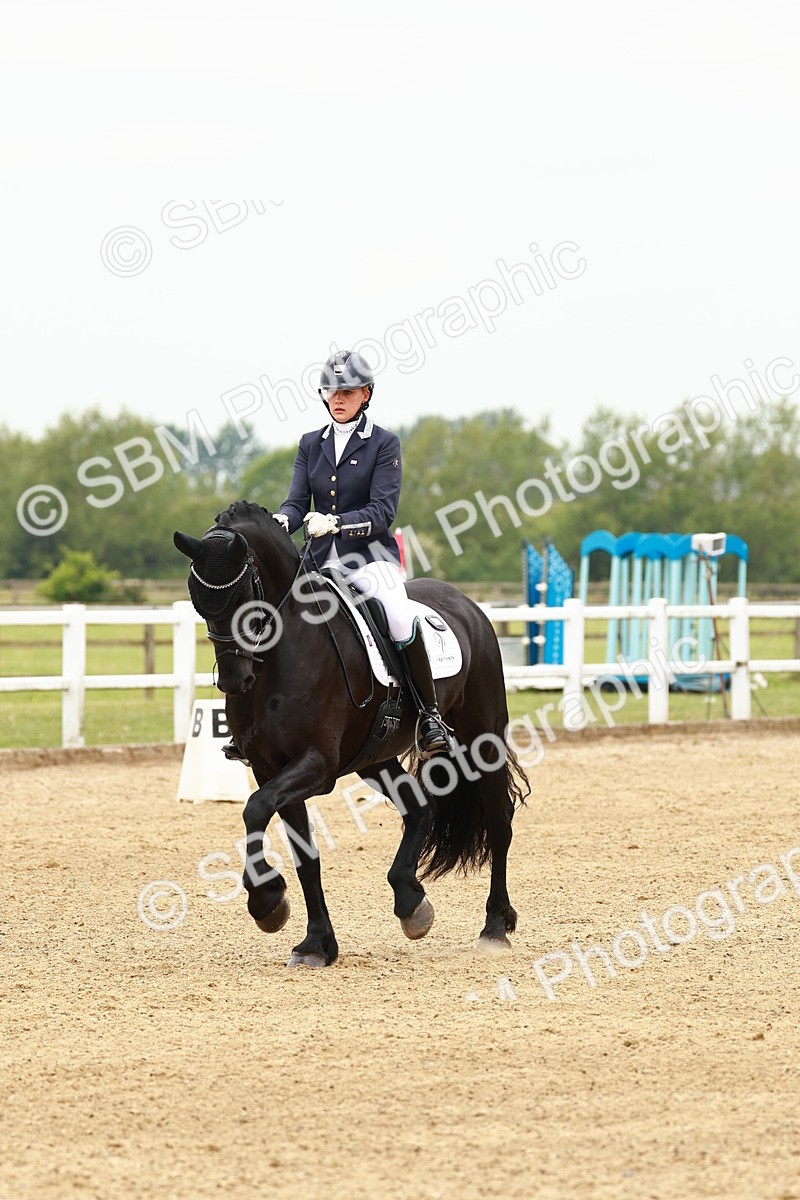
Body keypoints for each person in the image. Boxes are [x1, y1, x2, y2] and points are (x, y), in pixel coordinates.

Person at [247, 348, 453, 759]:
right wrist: (281, 522)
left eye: (348, 391)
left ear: (367, 394)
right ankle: (255, 723)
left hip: (370, 557)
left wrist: (339, 523)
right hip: (318, 560)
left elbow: (383, 511)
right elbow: (295, 502)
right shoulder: (310, 444)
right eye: (331, 391)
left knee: (399, 615)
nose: (337, 398)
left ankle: (429, 716)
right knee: (270, 619)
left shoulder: (383, 443)